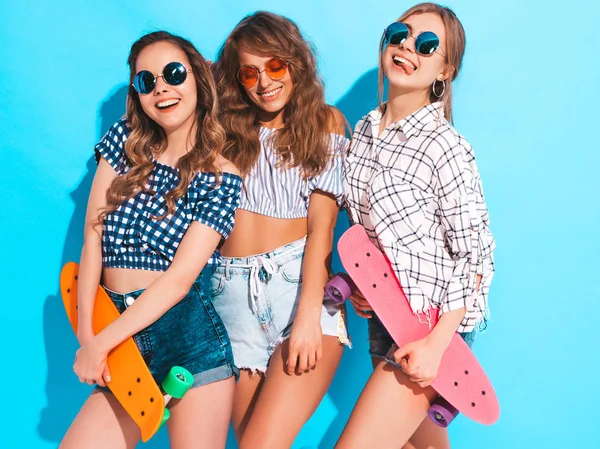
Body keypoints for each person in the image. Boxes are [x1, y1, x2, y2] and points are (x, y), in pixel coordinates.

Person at [59, 31, 242, 449]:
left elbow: (179, 281)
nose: (161, 87)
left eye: (174, 74)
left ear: (197, 78)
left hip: (190, 343)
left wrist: (101, 341)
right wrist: (90, 339)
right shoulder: (125, 144)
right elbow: (92, 240)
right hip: (116, 336)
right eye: (147, 81)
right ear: (138, 94)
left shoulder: (220, 176)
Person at [337, 3, 496, 448]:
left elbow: (477, 254)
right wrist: (365, 286)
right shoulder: (364, 133)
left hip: (431, 330)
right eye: (399, 34)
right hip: (384, 322)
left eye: (427, 45)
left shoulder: (446, 146)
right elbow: (370, 234)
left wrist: (438, 343)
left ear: (445, 70)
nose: (408, 46)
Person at [210, 11, 351, 449]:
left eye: (275, 66)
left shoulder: (323, 122)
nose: (264, 82)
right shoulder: (225, 132)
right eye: (249, 72)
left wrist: (310, 315)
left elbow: (322, 228)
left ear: (296, 64)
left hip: (295, 291)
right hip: (229, 300)